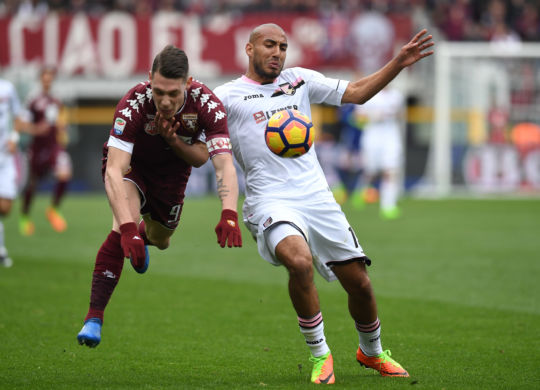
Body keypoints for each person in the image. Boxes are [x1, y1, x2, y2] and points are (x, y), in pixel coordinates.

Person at [214, 23, 433, 384]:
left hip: (316, 196)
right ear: (249, 49)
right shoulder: (226, 96)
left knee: (359, 284)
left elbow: (358, 92)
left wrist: (399, 62)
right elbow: (196, 139)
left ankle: (372, 352)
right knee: (298, 262)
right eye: (269, 45)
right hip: (270, 199)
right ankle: (320, 355)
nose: (278, 52)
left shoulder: (299, 80)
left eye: (283, 46)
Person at [76, 45, 242, 348]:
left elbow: (213, 161)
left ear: (188, 83)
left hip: (172, 176)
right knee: (120, 226)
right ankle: (93, 318)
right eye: (158, 91)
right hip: (134, 167)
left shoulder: (208, 106)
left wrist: (229, 212)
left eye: (173, 94)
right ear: (149, 78)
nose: (165, 101)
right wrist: (127, 229)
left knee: (161, 239)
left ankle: (143, 237)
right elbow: (115, 170)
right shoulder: (133, 103)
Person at [19, 66, 72, 236]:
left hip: (54, 146)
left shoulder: (56, 100)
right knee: (32, 184)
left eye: (50, 77)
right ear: (41, 79)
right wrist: (36, 129)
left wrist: (62, 128)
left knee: (64, 174)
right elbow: (21, 124)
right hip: (37, 148)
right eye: (45, 77)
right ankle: (24, 217)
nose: (48, 80)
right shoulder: (33, 100)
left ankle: (53, 209)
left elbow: (61, 119)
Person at [351, 85, 406, 219]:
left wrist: (393, 114)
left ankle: (388, 205)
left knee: (391, 169)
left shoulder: (397, 96)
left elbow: (401, 114)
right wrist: (373, 116)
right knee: (371, 171)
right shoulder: (368, 93)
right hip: (372, 136)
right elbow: (357, 118)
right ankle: (361, 192)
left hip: (391, 136)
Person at [0, 78, 27, 267]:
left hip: (5, 156)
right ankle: (1, 249)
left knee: (5, 207)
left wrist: (14, 138)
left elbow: (18, 117)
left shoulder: (7, 88)